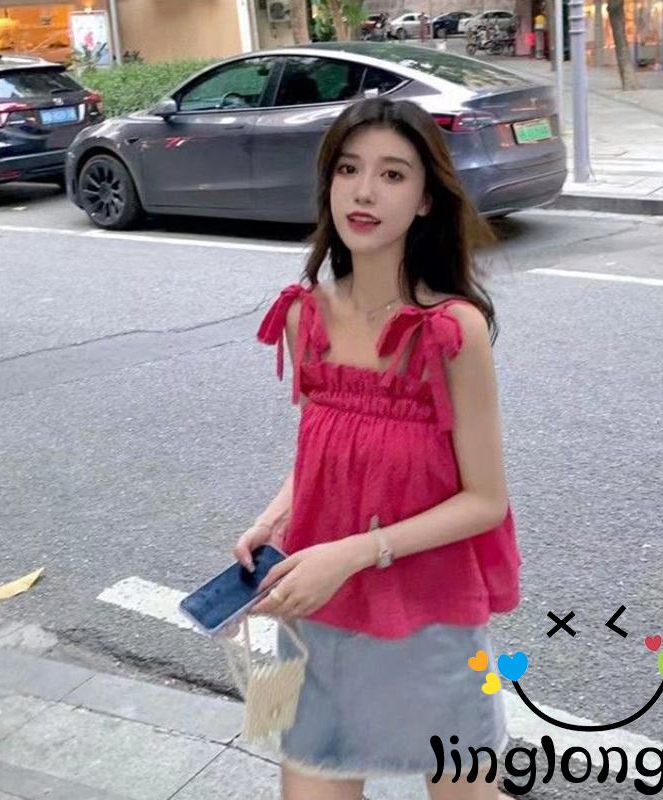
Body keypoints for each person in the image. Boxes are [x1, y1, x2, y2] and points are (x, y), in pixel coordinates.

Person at [232, 97, 522, 800]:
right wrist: (276, 515)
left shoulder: (450, 330)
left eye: (393, 175)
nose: (364, 192)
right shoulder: (303, 315)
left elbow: (485, 501)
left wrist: (355, 553)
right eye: (349, 169)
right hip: (317, 607)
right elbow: (327, 449)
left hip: (430, 612)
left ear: (425, 200)